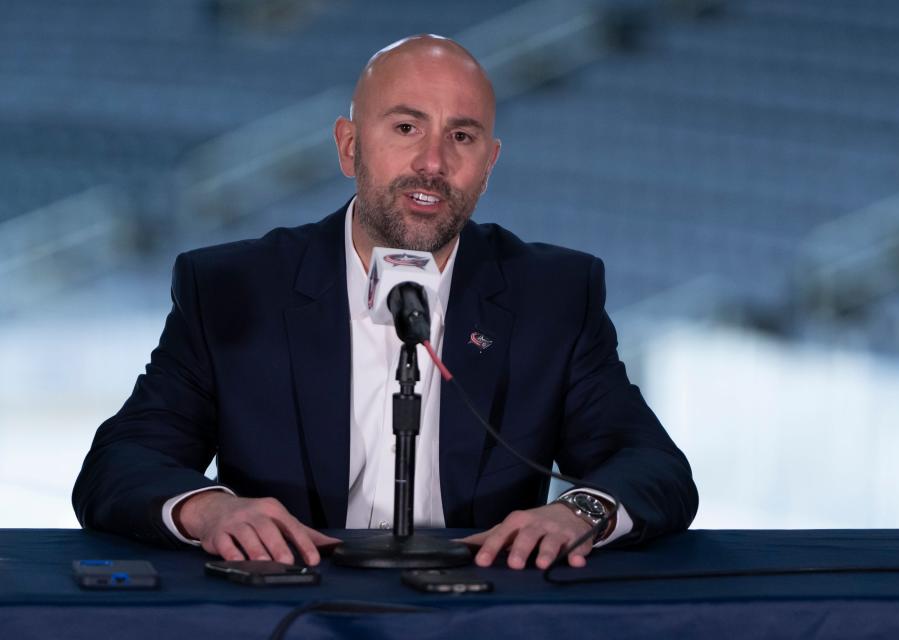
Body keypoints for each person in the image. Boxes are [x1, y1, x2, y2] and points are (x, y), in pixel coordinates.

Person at [72, 35, 698, 571]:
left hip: (483, 614)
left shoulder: (554, 293)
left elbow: (652, 465)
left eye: (462, 136)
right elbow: (121, 463)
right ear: (349, 147)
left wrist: (576, 511)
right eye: (405, 128)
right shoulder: (233, 285)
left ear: (489, 164)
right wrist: (212, 510)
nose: (432, 163)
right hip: (287, 609)